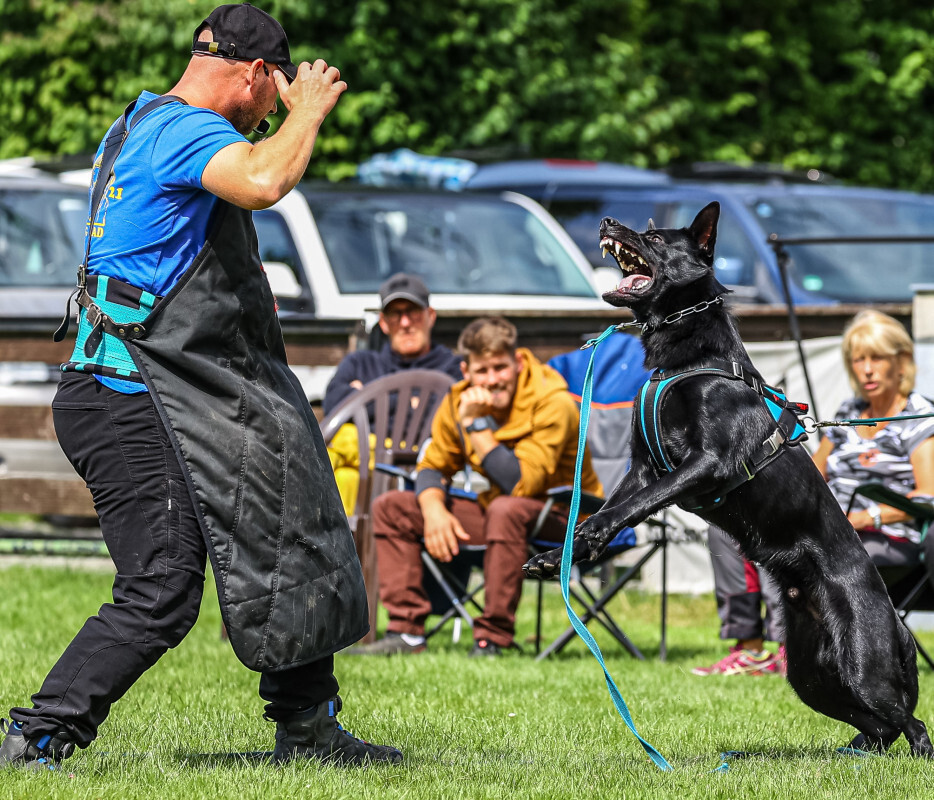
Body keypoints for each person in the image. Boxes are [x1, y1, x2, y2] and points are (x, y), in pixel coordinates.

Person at [0, 4, 400, 770]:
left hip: (175, 391)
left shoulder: (140, 123)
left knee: (283, 532)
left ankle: (308, 727)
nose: (268, 113)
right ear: (254, 73)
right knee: (163, 584)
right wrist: (309, 112)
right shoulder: (190, 133)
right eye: (271, 92)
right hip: (128, 398)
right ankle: (38, 735)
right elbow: (261, 181)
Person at [693, 309, 934, 677]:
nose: (866, 369)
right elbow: (809, 476)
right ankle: (750, 648)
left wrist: (867, 517)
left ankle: (792, 649)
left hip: (887, 535)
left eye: (877, 358)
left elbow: (928, 495)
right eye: (858, 360)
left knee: (802, 552)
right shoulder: (849, 413)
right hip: (833, 529)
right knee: (726, 529)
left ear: (901, 362)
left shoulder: (917, 415)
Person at [351, 316, 603, 657]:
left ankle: (492, 637)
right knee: (393, 507)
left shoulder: (551, 400)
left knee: (505, 509)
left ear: (516, 362)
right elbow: (432, 466)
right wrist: (434, 510)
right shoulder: (458, 399)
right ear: (466, 370)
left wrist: (476, 425)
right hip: (504, 518)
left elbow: (521, 484)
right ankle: (405, 634)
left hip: (571, 522)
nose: (493, 380)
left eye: (500, 367)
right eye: (482, 371)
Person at [323, 273, 463, 515]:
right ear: (384, 322)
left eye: (413, 312)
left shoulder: (452, 367)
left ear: (431, 316)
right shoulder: (361, 362)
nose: (406, 323)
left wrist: (366, 399)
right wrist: (411, 403)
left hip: (419, 473)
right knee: (345, 474)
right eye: (396, 315)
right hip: (364, 473)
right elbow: (333, 405)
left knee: (335, 445)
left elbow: (446, 419)